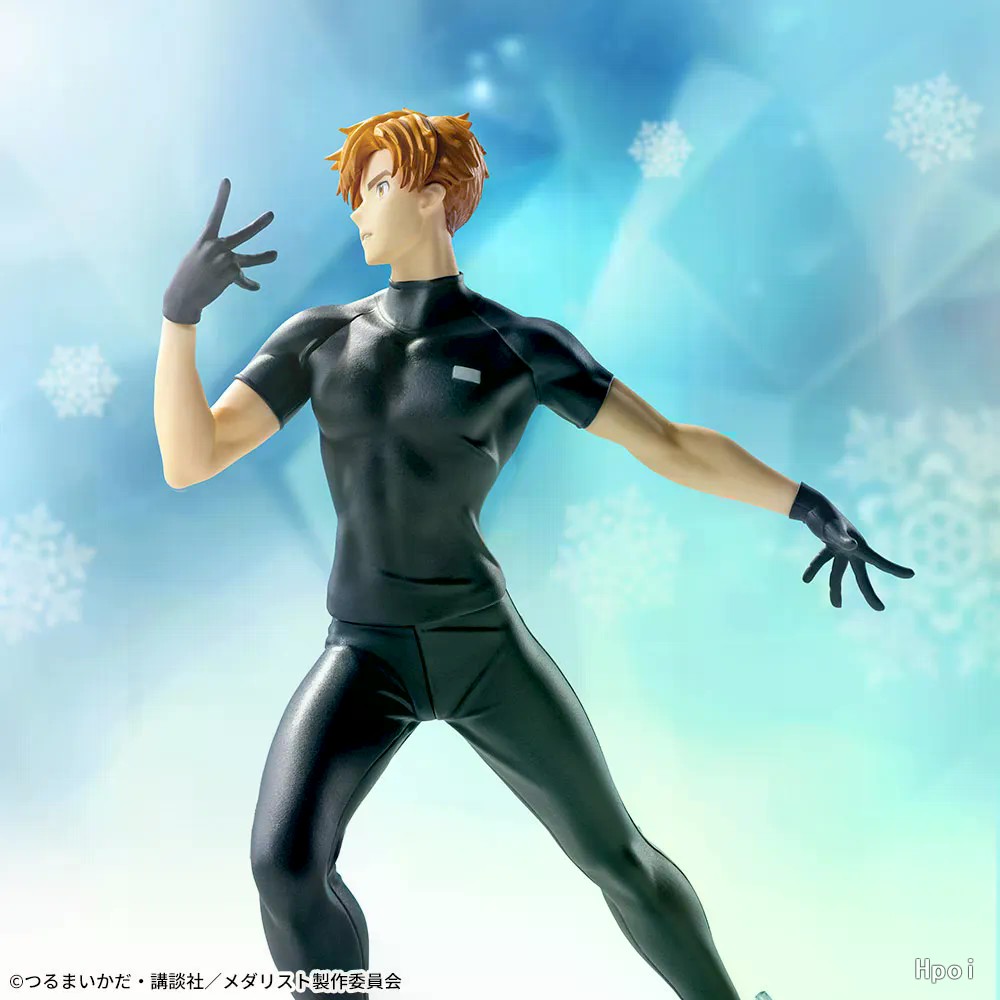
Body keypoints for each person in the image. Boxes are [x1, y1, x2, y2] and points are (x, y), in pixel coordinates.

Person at [154, 109, 914, 1000]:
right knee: (283, 867)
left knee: (618, 861)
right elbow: (191, 458)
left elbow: (669, 443)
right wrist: (179, 319)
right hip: (365, 649)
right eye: (356, 192)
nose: (359, 209)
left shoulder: (519, 346)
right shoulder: (319, 338)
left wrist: (808, 504)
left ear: (432, 195)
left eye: (378, 186)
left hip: (482, 647)